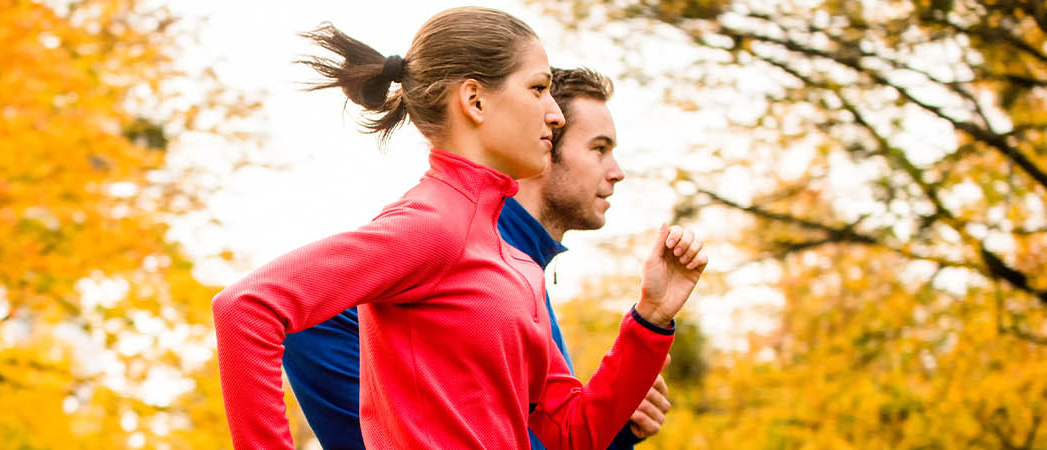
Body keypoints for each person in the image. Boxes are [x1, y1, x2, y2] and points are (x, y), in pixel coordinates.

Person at [211, 7, 710, 449]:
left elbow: (571, 435)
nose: (554, 114)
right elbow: (247, 308)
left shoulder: (518, 262)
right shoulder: (429, 227)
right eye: (538, 89)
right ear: (474, 99)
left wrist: (649, 320)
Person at [281, 67, 672, 450]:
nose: (617, 172)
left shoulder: (521, 269)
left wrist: (616, 424)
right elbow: (305, 323)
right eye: (599, 149)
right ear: (546, 144)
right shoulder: (449, 242)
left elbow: (554, 435)